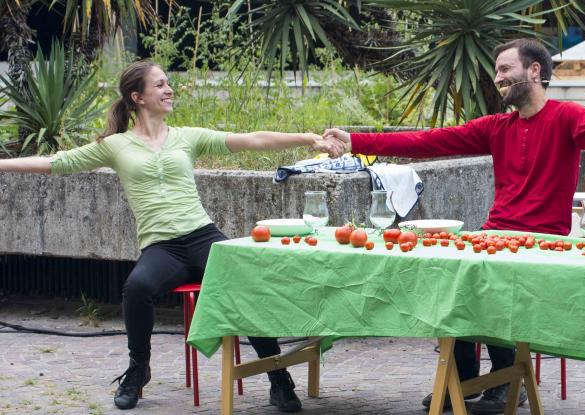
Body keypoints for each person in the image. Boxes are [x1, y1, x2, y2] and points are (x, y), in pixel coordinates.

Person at [323, 38, 585, 414]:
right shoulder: (496, 127)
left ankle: (506, 378)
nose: (498, 78)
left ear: (534, 71)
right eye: (497, 72)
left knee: (491, 278)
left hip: (541, 241)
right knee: (448, 272)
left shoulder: (567, 117)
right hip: (495, 234)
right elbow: (430, 140)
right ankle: (463, 375)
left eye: (505, 69)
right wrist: (357, 140)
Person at [0, 60, 343, 411]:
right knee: (136, 288)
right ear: (138, 97)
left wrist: (308, 138)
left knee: (245, 282)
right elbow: (57, 162)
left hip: (202, 237)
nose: (169, 90)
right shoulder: (115, 146)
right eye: (160, 84)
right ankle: (138, 369)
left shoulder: (186, 137)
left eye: (168, 83)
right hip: (162, 248)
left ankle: (278, 379)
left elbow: (252, 140)